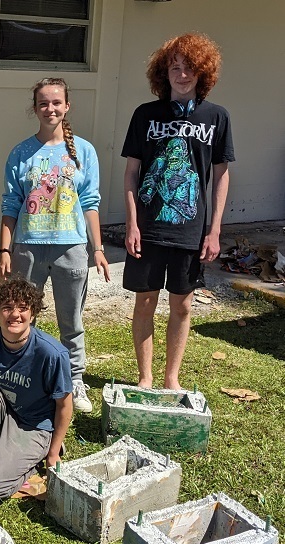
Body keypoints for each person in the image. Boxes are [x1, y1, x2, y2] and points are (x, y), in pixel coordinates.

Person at [122, 33, 234, 389]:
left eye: (189, 68)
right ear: (163, 72)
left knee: (182, 306)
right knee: (145, 302)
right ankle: (145, 378)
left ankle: (171, 379)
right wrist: (131, 223)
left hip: (190, 231)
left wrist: (214, 229)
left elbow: (220, 176)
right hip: (148, 229)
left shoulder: (217, 117)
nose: (182, 75)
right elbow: (131, 174)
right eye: (175, 67)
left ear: (203, 73)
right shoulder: (145, 114)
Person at [0, 77, 110, 414]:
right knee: (21, 316)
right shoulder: (20, 153)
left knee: (70, 320)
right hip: (28, 248)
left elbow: (90, 202)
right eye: (44, 103)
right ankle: (23, 375)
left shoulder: (85, 152)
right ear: (35, 108)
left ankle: (74, 379)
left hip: (71, 248)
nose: (50, 109)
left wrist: (98, 249)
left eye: (56, 102)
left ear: (67, 106)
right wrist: (4, 250)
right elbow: (10, 204)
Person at [0, 278, 73, 502]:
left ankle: (27, 464)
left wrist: (53, 452)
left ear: (33, 313)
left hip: (33, 426)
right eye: (7, 308)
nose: (15, 315)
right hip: (2, 415)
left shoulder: (51, 354)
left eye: (23, 308)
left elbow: (64, 405)